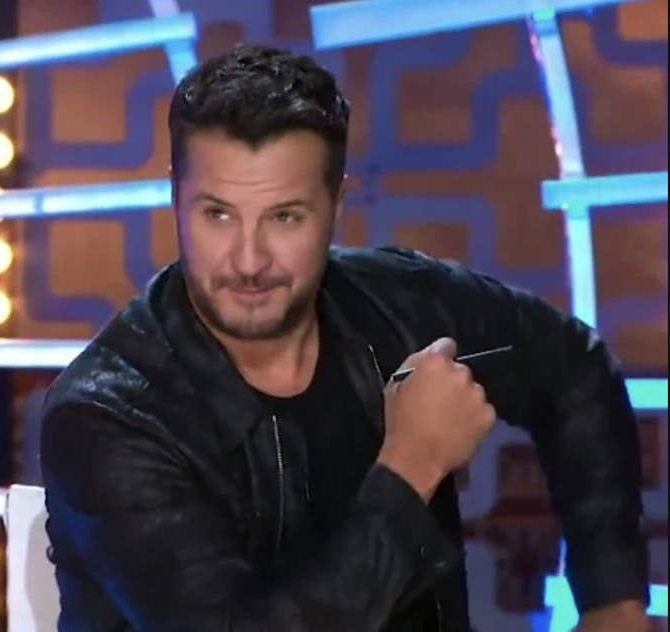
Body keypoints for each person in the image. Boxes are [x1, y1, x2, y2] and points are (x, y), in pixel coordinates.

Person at [40, 44, 651, 631]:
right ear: (175, 197)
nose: (248, 261)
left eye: (284, 217)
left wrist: (614, 600)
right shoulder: (106, 416)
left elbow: (574, 368)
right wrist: (413, 462)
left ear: (336, 203)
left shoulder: (400, 309)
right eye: (217, 214)